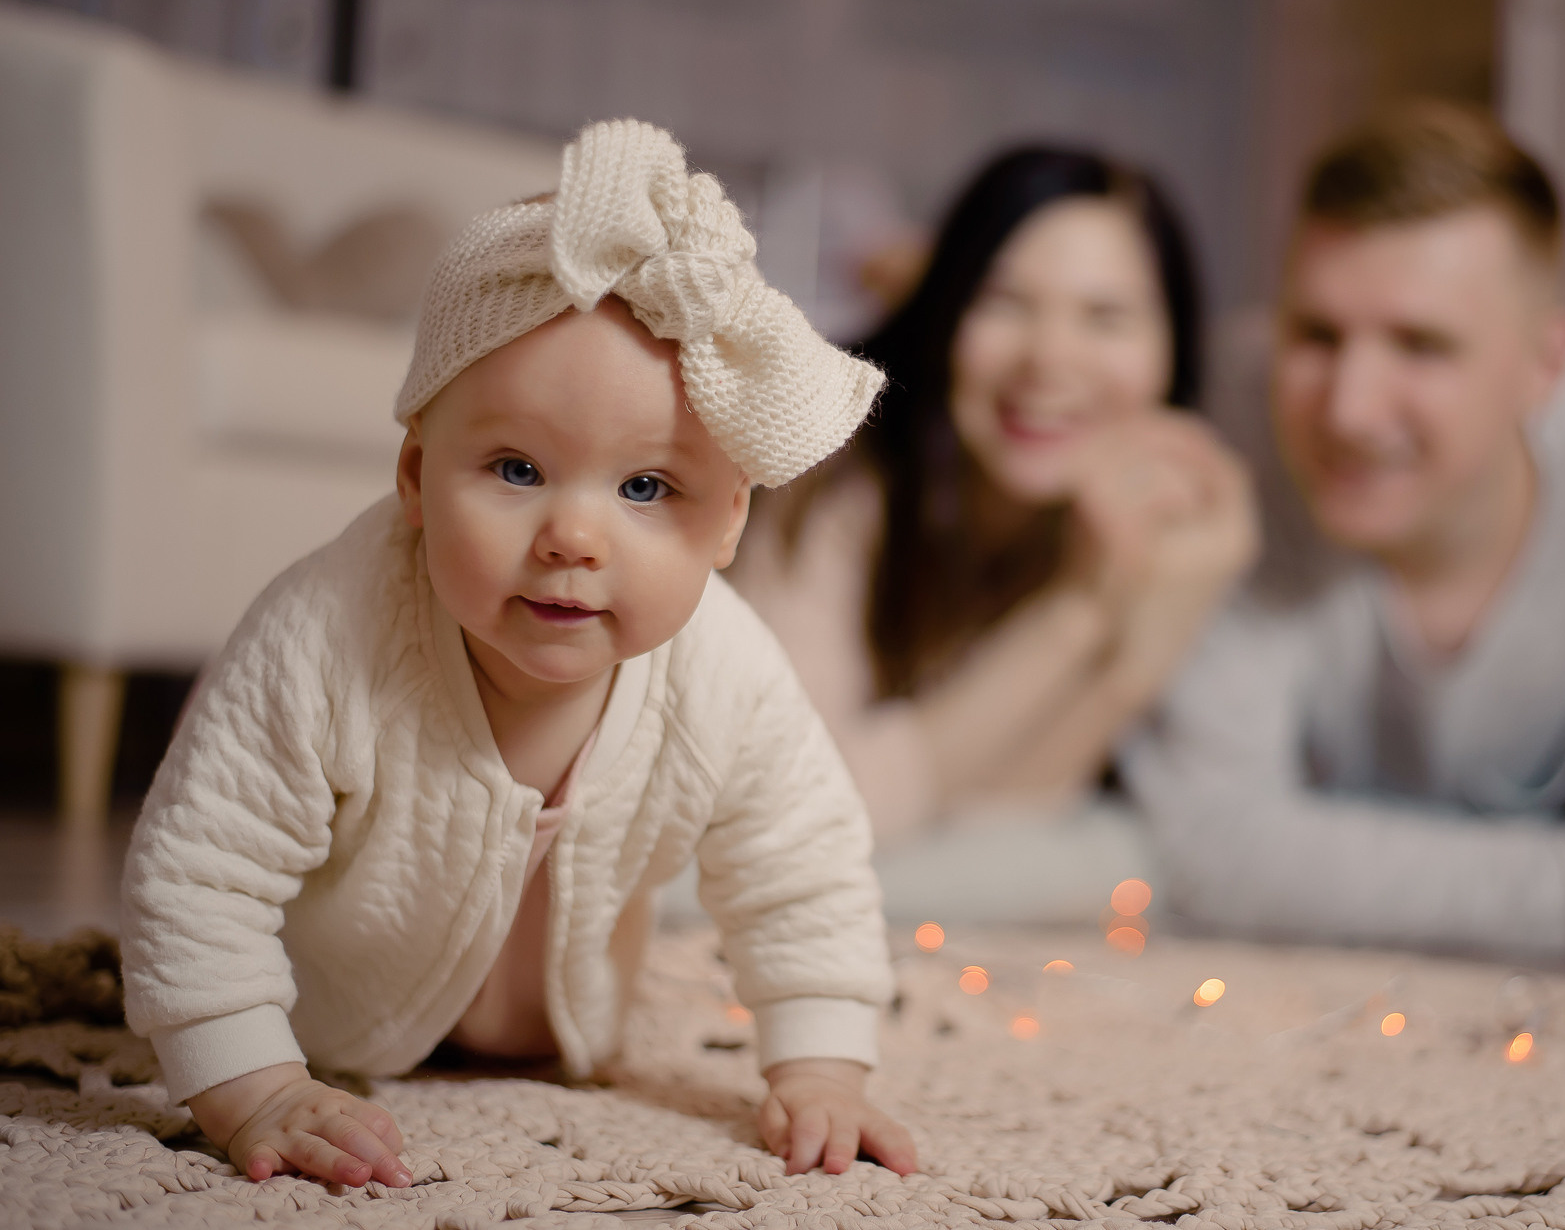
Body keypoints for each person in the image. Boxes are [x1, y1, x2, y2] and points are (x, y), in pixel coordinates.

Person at [119, 119, 916, 1188]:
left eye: (646, 488)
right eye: (513, 467)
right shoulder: (328, 632)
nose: (572, 538)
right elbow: (200, 870)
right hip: (329, 1028)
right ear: (412, 475)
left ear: (728, 526)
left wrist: (822, 1068)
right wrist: (251, 1084)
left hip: (571, 1041)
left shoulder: (724, 671)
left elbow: (800, 868)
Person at [1121, 103, 1565, 964]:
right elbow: (1208, 847)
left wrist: (1318, 863)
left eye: (1420, 345)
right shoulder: (1230, 442)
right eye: (1315, 335)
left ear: (1548, 366)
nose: (1347, 408)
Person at [728, 148, 1256, 915]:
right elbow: (788, 817)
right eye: (1004, 301)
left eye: (1105, 317)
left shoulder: (1160, 523)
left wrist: (1127, 668)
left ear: (1171, 357)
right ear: (945, 312)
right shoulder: (828, 480)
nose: (1049, 359)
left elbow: (1012, 823)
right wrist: (1078, 614)